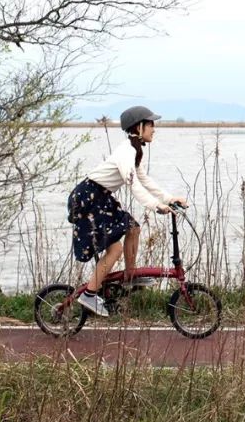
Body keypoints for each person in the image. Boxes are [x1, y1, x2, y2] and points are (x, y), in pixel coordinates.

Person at [67, 105, 187, 316]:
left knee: (133, 228)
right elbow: (134, 186)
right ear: (138, 127)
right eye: (150, 124)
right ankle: (89, 294)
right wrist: (156, 206)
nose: (154, 129)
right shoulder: (126, 151)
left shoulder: (134, 150)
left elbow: (144, 180)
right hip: (88, 199)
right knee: (115, 250)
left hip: (100, 198)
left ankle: (129, 275)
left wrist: (169, 198)